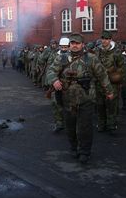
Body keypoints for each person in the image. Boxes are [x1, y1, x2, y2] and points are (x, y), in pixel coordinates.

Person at [46, 33, 114, 164]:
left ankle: (84, 151)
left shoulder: (91, 58)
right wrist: (54, 80)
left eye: (77, 43)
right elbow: (50, 71)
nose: (75, 45)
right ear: (69, 45)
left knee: (85, 127)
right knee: (70, 126)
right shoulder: (61, 58)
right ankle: (73, 147)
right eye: (72, 43)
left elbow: (102, 75)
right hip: (67, 98)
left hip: (86, 98)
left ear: (82, 44)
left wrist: (109, 91)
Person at [94, 31, 124, 133]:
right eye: (103, 39)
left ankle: (111, 125)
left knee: (111, 104)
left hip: (112, 82)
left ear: (110, 39)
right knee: (100, 104)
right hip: (99, 82)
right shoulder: (96, 51)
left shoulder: (116, 52)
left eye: (107, 39)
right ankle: (101, 124)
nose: (104, 41)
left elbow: (122, 67)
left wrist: (115, 74)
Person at [46, 37, 70, 133]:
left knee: (69, 106)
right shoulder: (54, 55)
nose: (64, 49)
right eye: (62, 47)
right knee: (56, 104)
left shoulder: (73, 56)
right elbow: (49, 68)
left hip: (69, 85)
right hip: (56, 83)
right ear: (59, 47)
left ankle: (69, 124)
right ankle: (59, 123)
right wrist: (52, 81)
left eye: (66, 47)